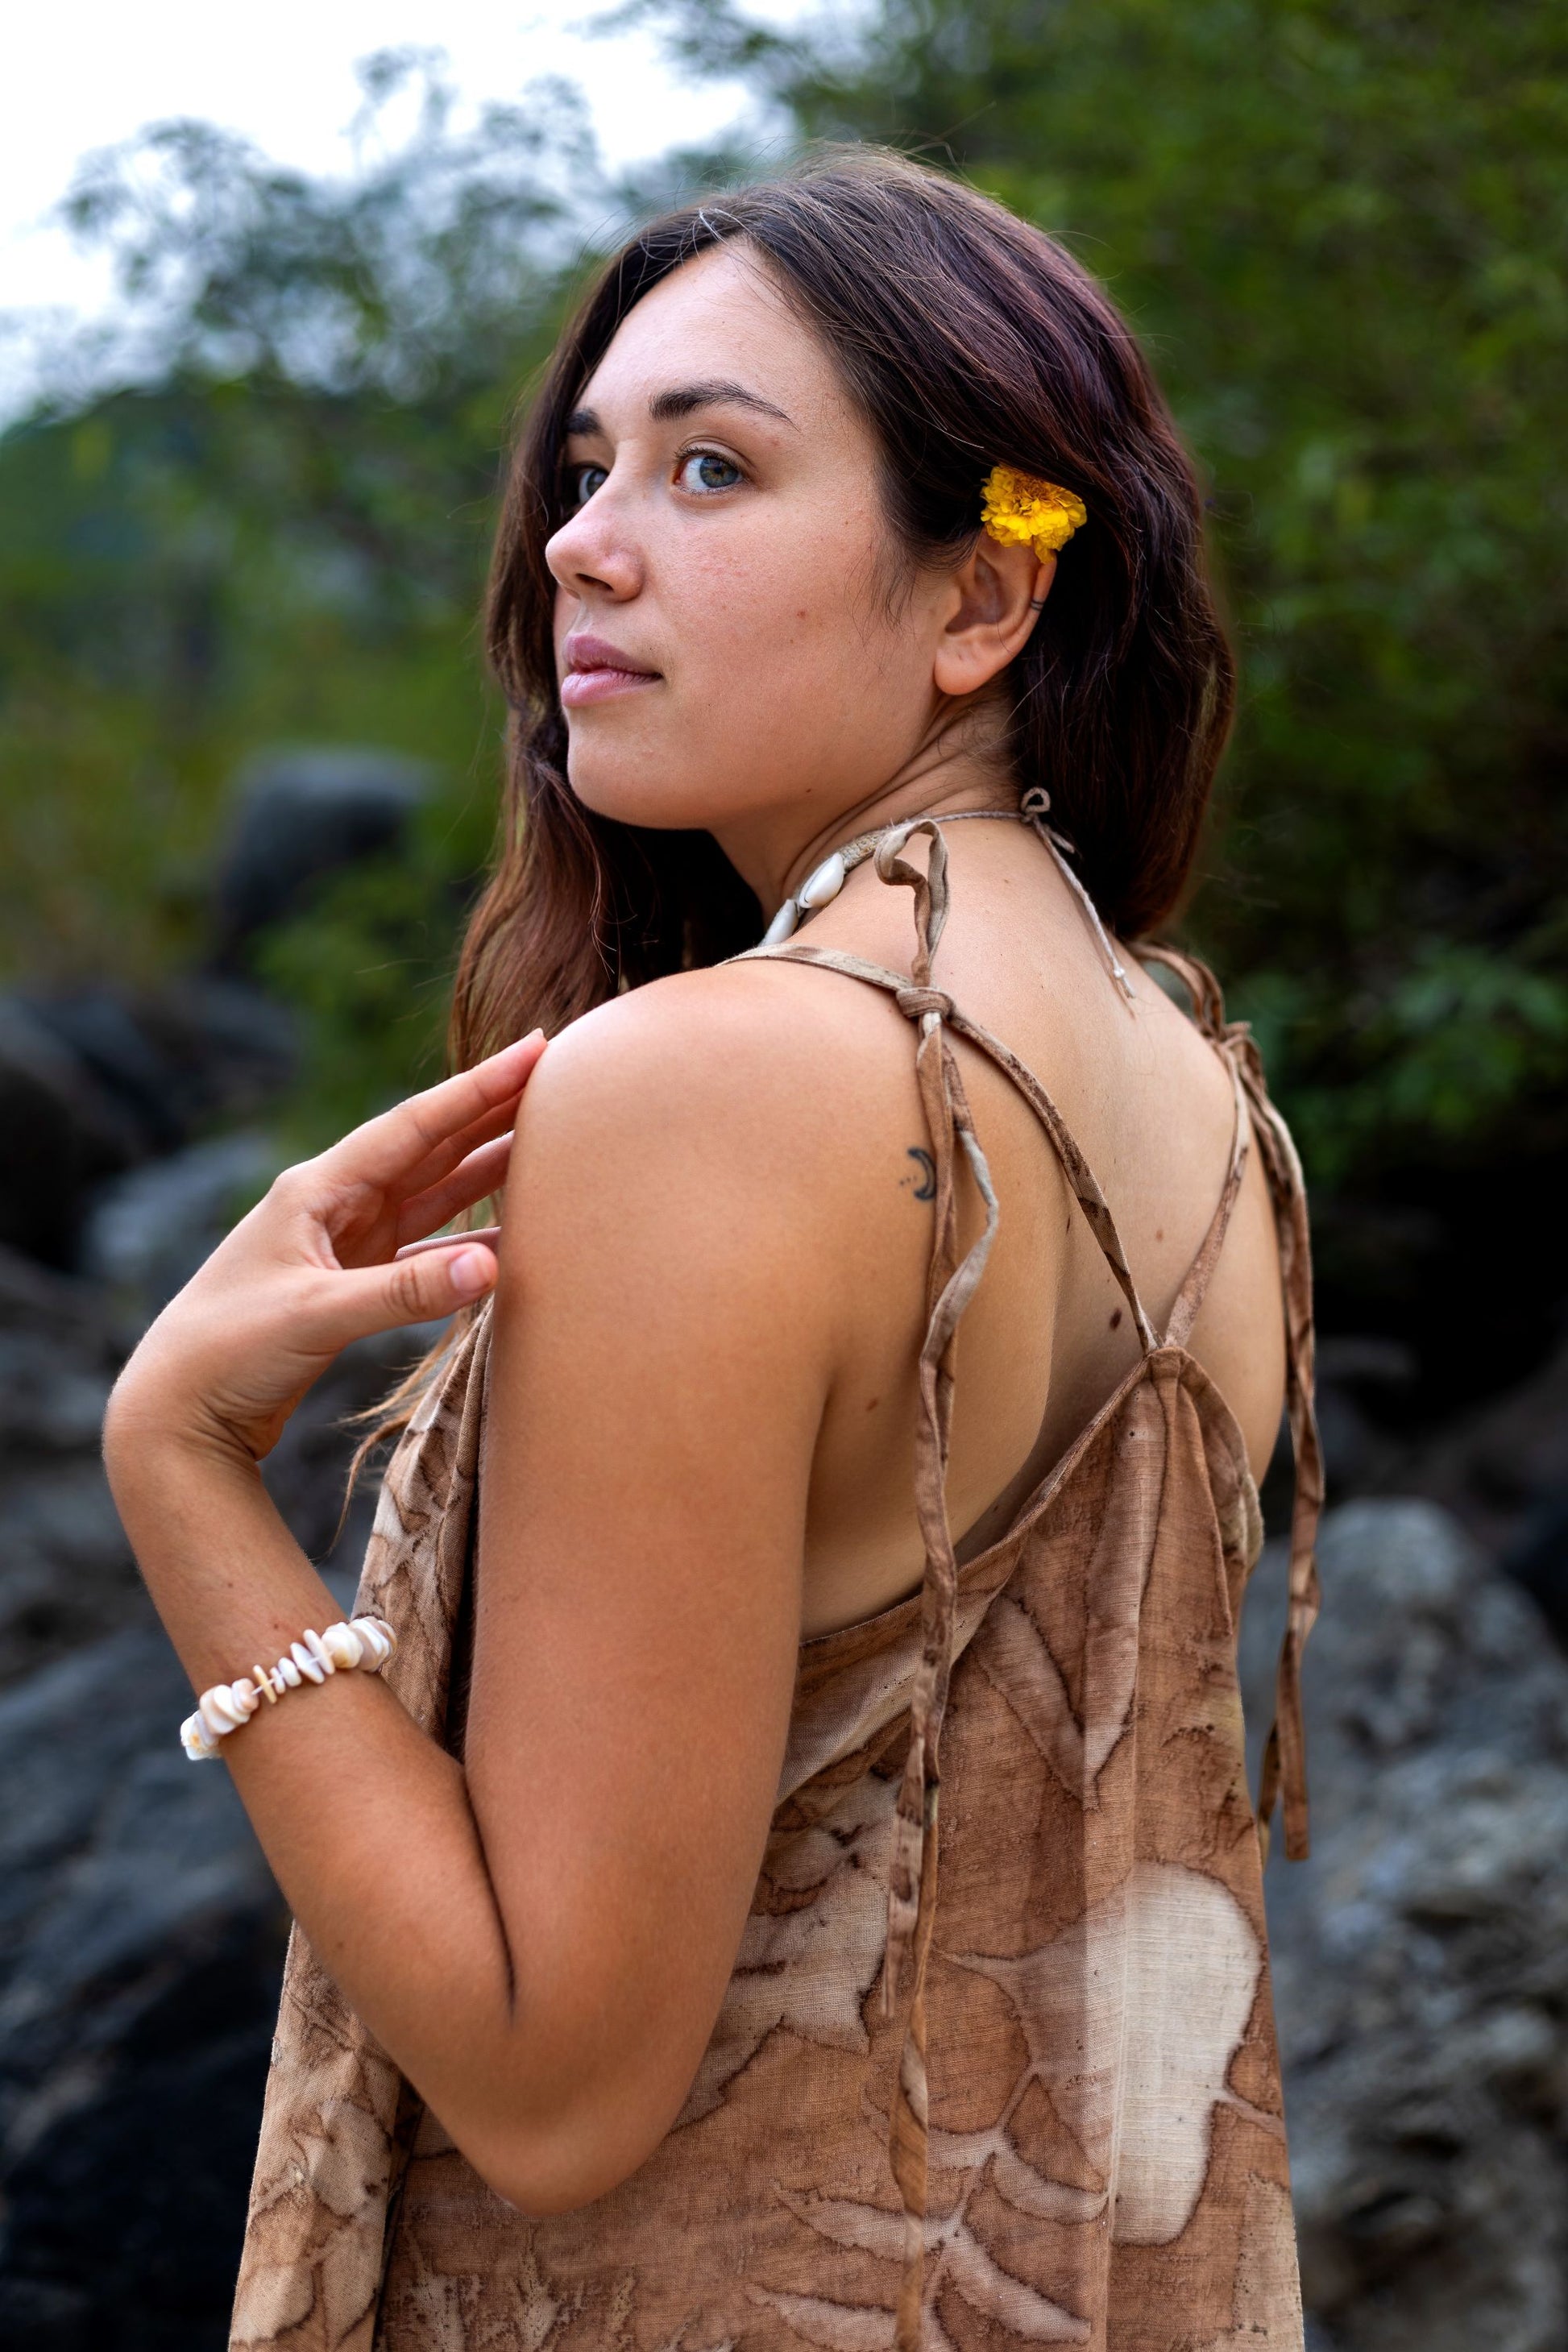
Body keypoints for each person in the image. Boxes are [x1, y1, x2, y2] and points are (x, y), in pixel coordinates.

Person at [104, 148, 1321, 2352]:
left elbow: (555, 2085)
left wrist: (182, 1468)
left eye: (712, 467)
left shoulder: (717, 1082)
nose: (583, 540)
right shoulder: (1205, 1098)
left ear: (983, 595)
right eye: (588, 469)